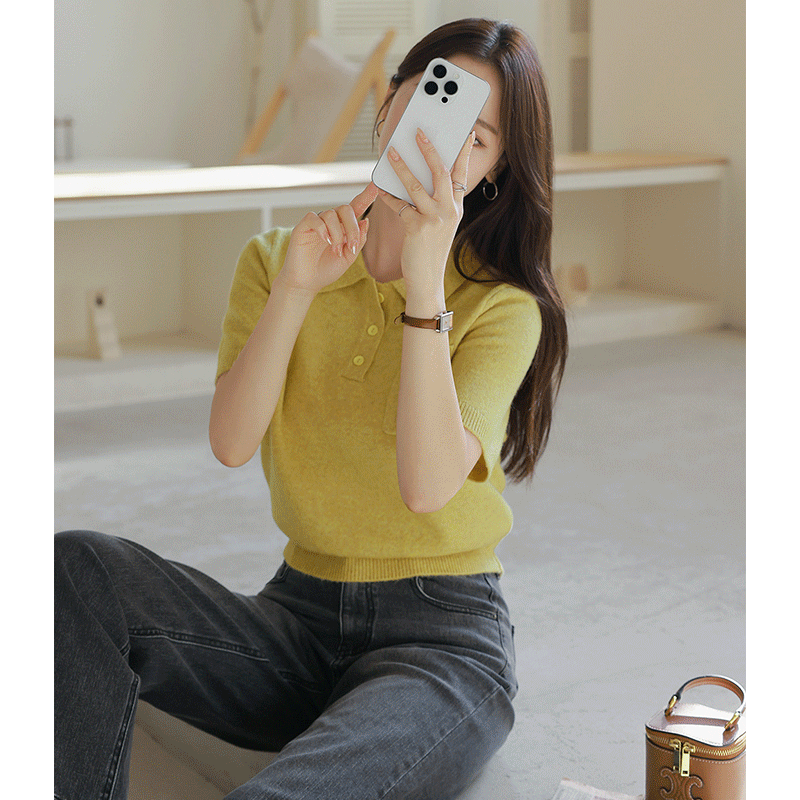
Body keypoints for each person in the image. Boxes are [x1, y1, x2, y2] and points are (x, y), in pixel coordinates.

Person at [54, 17, 567, 800]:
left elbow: (427, 486)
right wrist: (296, 288)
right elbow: (232, 442)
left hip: (442, 642)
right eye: (436, 102)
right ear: (389, 106)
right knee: (73, 570)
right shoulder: (276, 261)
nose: (447, 145)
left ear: (494, 170)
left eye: (478, 137)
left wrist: (425, 285)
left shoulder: (502, 308)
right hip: (296, 617)